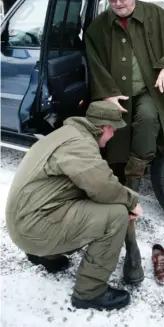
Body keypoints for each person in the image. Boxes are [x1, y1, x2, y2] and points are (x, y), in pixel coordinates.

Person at [85, 0, 164, 285]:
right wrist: (106, 96)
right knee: (114, 136)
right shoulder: (97, 28)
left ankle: (135, 178)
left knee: (148, 118)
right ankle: (123, 196)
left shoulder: (155, 16)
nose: (118, 3)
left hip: (147, 91)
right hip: (116, 96)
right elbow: (94, 65)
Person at [5, 101, 143, 311]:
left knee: (91, 201)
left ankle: (46, 256)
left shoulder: (67, 133)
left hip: (23, 222)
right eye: (113, 130)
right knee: (116, 215)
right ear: (105, 127)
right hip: (32, 229)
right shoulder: (81, 145)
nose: (113, 135)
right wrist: (131, 202)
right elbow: (103, 187)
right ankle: (90, 292)